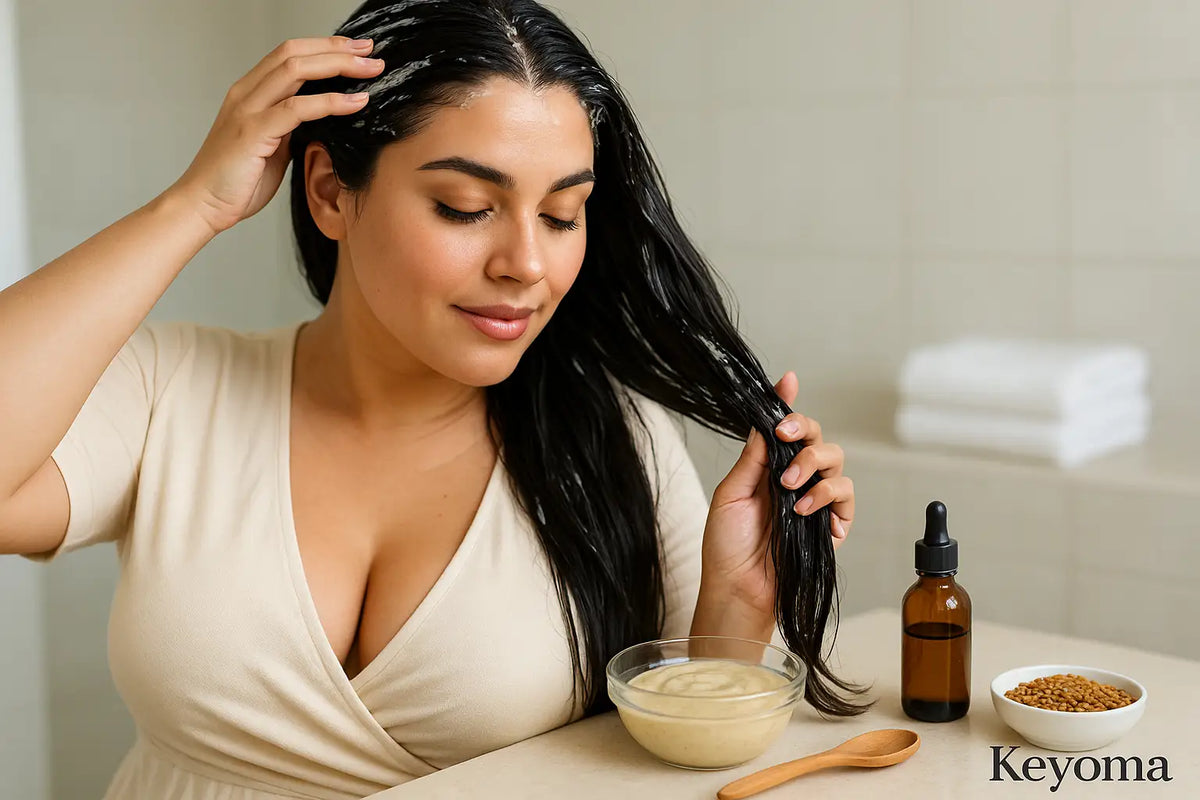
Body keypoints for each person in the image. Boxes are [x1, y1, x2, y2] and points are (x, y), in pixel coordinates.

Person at [0, 1, 859, 798]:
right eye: (465, 206)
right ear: (331, 191)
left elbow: (681, 752)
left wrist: (741, 599)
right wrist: (196, 204)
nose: (526, 262)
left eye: (563, 216)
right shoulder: (174, 392)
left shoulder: (616, 436)